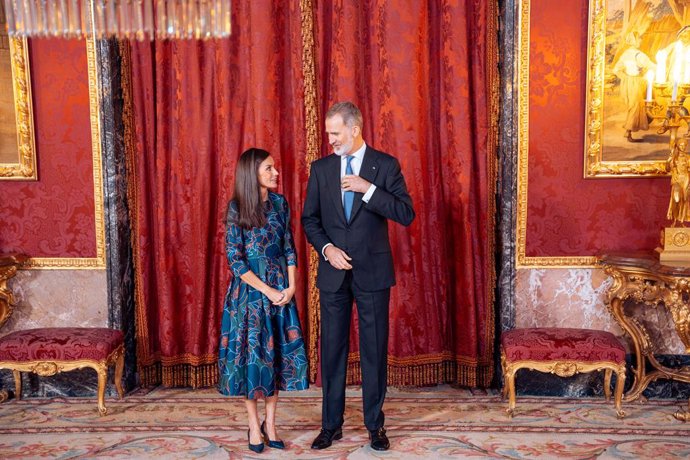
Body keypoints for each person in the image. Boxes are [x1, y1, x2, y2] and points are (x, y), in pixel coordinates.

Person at [301, 101, 415, 451]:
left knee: (373, 350)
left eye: (335, 133)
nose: (330, 139)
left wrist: (368, 188)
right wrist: (327, 250)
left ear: (354, 129)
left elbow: (405, 213)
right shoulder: (320, 169)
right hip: (333, 274)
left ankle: (375, 426)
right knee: (332, 351)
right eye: (328, 133)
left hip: (373, 272)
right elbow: (310, 220)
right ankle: (330, 426)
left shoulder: (385, 165)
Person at [218, 147, 308, 454]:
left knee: (277, 359)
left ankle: (271, 424)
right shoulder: (237, 208)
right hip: (249, 295)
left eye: (274, 168)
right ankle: (254, 425)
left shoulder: (280, 203)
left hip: (281, 290)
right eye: (268, 168)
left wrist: (292, 287)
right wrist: (266, 291)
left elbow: (289, 248)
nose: (276, 173)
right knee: (252, 361)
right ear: (252, 172)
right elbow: (236, 261)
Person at [612, 31, 654, 142]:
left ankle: (629, 131)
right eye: (639, 39)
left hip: (627, 83)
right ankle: (628, 131)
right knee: (635, 106)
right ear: (634, 40)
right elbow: (652, 66)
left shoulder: (625, 54)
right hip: (636, 82)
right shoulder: (639, 55)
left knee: (634, 106)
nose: (641, 41)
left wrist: (625, 77)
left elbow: (616, 69)